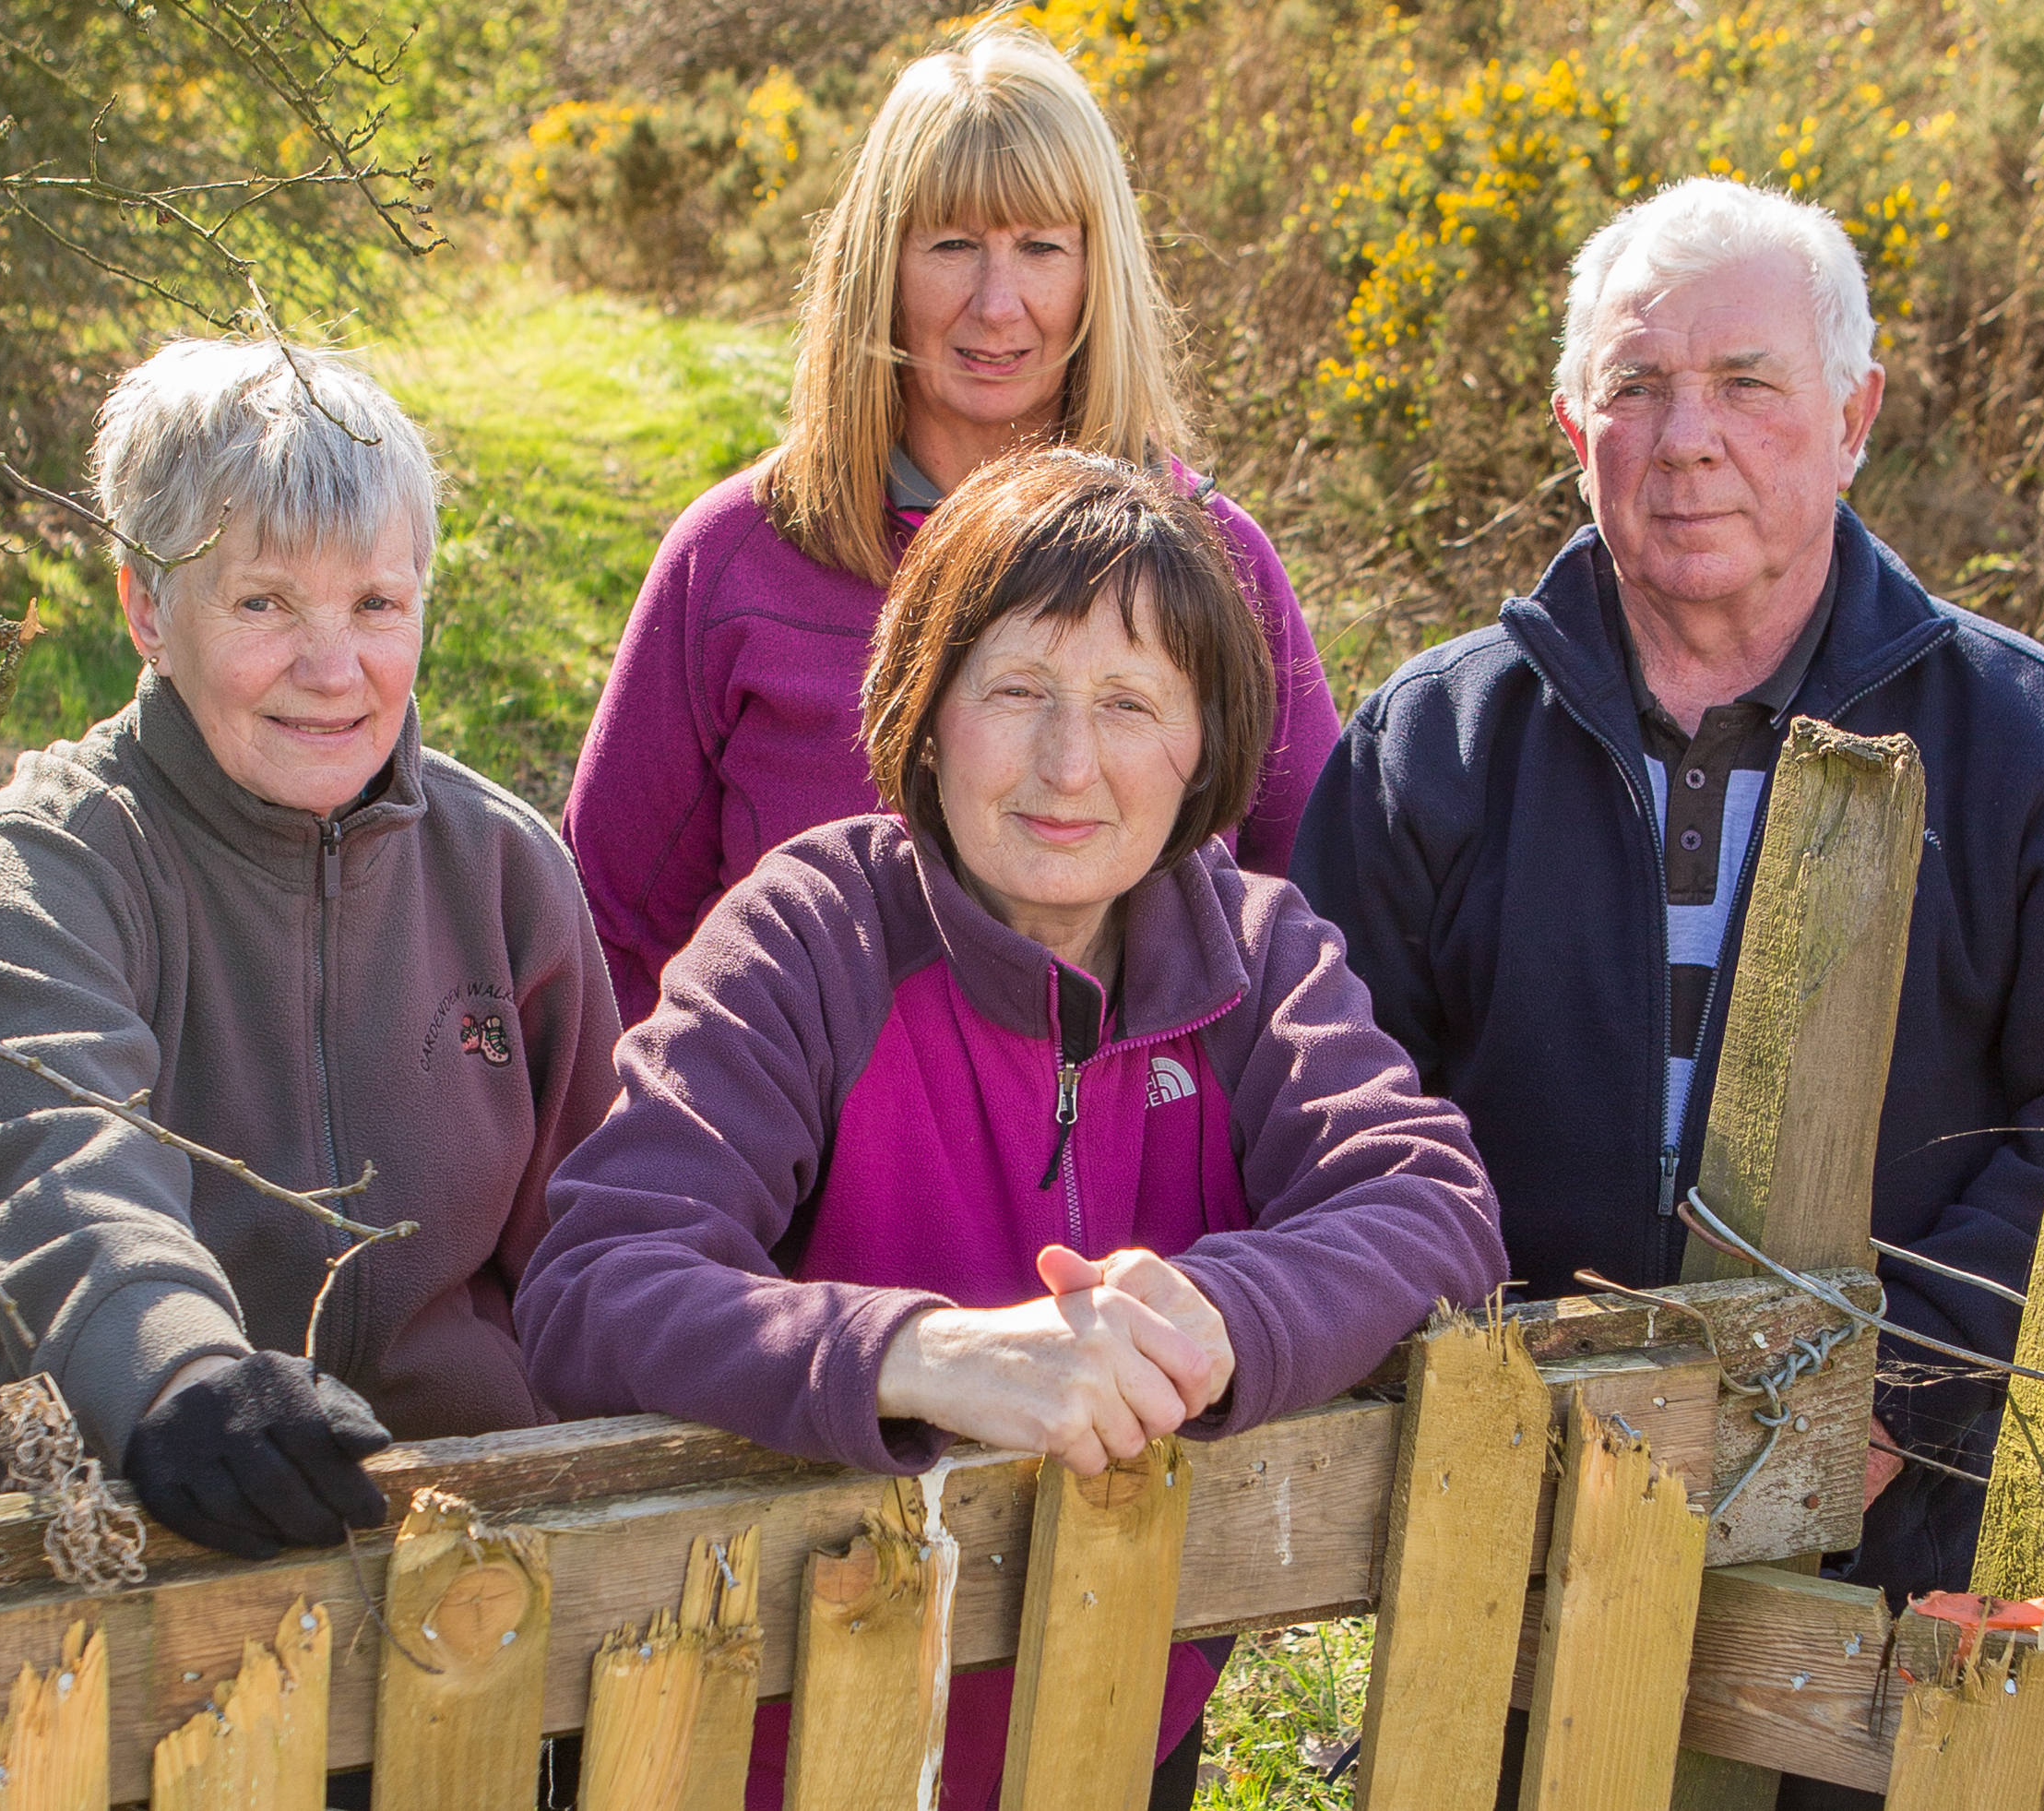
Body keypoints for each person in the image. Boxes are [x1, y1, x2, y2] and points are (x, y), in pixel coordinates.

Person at [519, 451, 1505, 1811]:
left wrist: (1212, 1315)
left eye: (1129, 702)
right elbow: (596, 1281)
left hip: (1111, 1717)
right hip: (762, 1736)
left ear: (1204, 743)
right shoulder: (811, 932)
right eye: (1018, 690)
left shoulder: (1256, 950)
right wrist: (931, 1353)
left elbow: (1431, 1200)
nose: (1067, 763)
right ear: (926, 715)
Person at [1292, 178, 2044, 1631]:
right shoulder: (1429, 742)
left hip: (1906, 1551)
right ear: (1575, 432)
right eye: (1640, 385)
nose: (1689, 440)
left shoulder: (2028, 745)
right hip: (1516, 1529)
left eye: (1749, 385)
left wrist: (1898, 1392)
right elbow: (1330, 1103)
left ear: (1857, 416)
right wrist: (1477, 1397)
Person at [0, 339, 622, 1562]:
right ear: (148, 607)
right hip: (143, 1522)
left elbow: (600, 1237)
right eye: (263, 602)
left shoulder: (505, 871)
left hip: (461, 1548)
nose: (331, 666)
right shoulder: (53, 856)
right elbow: (53, 1156)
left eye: (376, 604)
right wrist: (180, 1373)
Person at [564, 24, 1340, 1028]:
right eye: (952, 245)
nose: (997, 302)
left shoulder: (1218, 561)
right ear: (877, 264)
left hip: (1142, 1174)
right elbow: (606, 933)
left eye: (1041, 247)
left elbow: (1317, 923)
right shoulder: (735, 558)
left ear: (1097, 269)